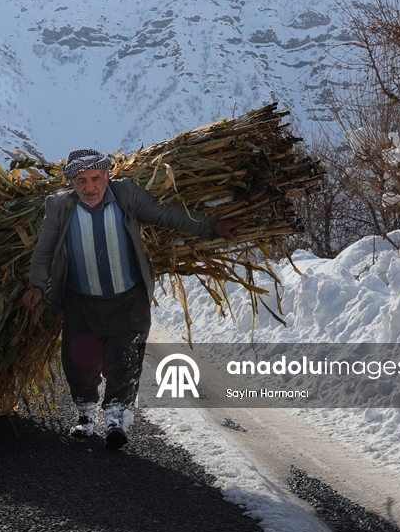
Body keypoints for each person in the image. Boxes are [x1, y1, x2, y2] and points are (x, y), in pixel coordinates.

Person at [23, 149, 242, 449]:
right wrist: (36, 285)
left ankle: (116, 418)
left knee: (124, 360)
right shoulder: (60, 206)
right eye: (81, 181)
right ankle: (85, 415)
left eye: (96, 179)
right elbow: (44, 251)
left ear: (107, 176)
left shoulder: (125, 194)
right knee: (80, 363)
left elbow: (164, 214)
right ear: (72, 183)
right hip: (81, 302)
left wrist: (210, 225)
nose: (90, 188)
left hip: (128, 300)